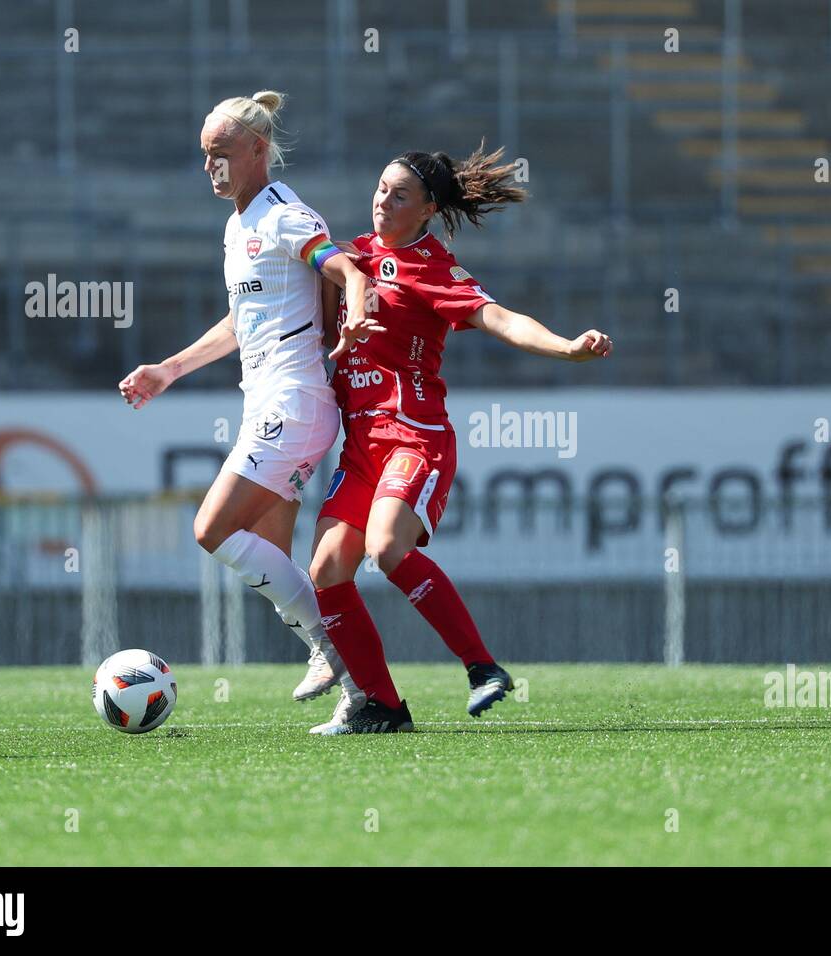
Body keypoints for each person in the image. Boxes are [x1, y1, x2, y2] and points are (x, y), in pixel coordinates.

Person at [305, 143, 613, 734]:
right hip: (361, 446)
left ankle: (482, 668)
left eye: (400, 195)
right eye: (379, 188)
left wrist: (566, 346)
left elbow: (499, 318)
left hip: (413, 437)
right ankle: (382, 707)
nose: (382, 201)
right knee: (325, 570)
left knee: (387, 547)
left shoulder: (431, 266)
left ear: (426, 210)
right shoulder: (351, 256)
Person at [118, 91, 379, 718]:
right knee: (271, 553)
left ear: (258, 151)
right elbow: (242, 320)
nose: (212, 166)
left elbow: (343, 269)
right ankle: (363, 696)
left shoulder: (284, 214)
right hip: (266, 397)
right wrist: (169, 369)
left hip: (295, 398)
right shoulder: (238, 226)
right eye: (205, 156)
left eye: (223, 154)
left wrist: (358, 311)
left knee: (212, 529)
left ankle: (332, 643)